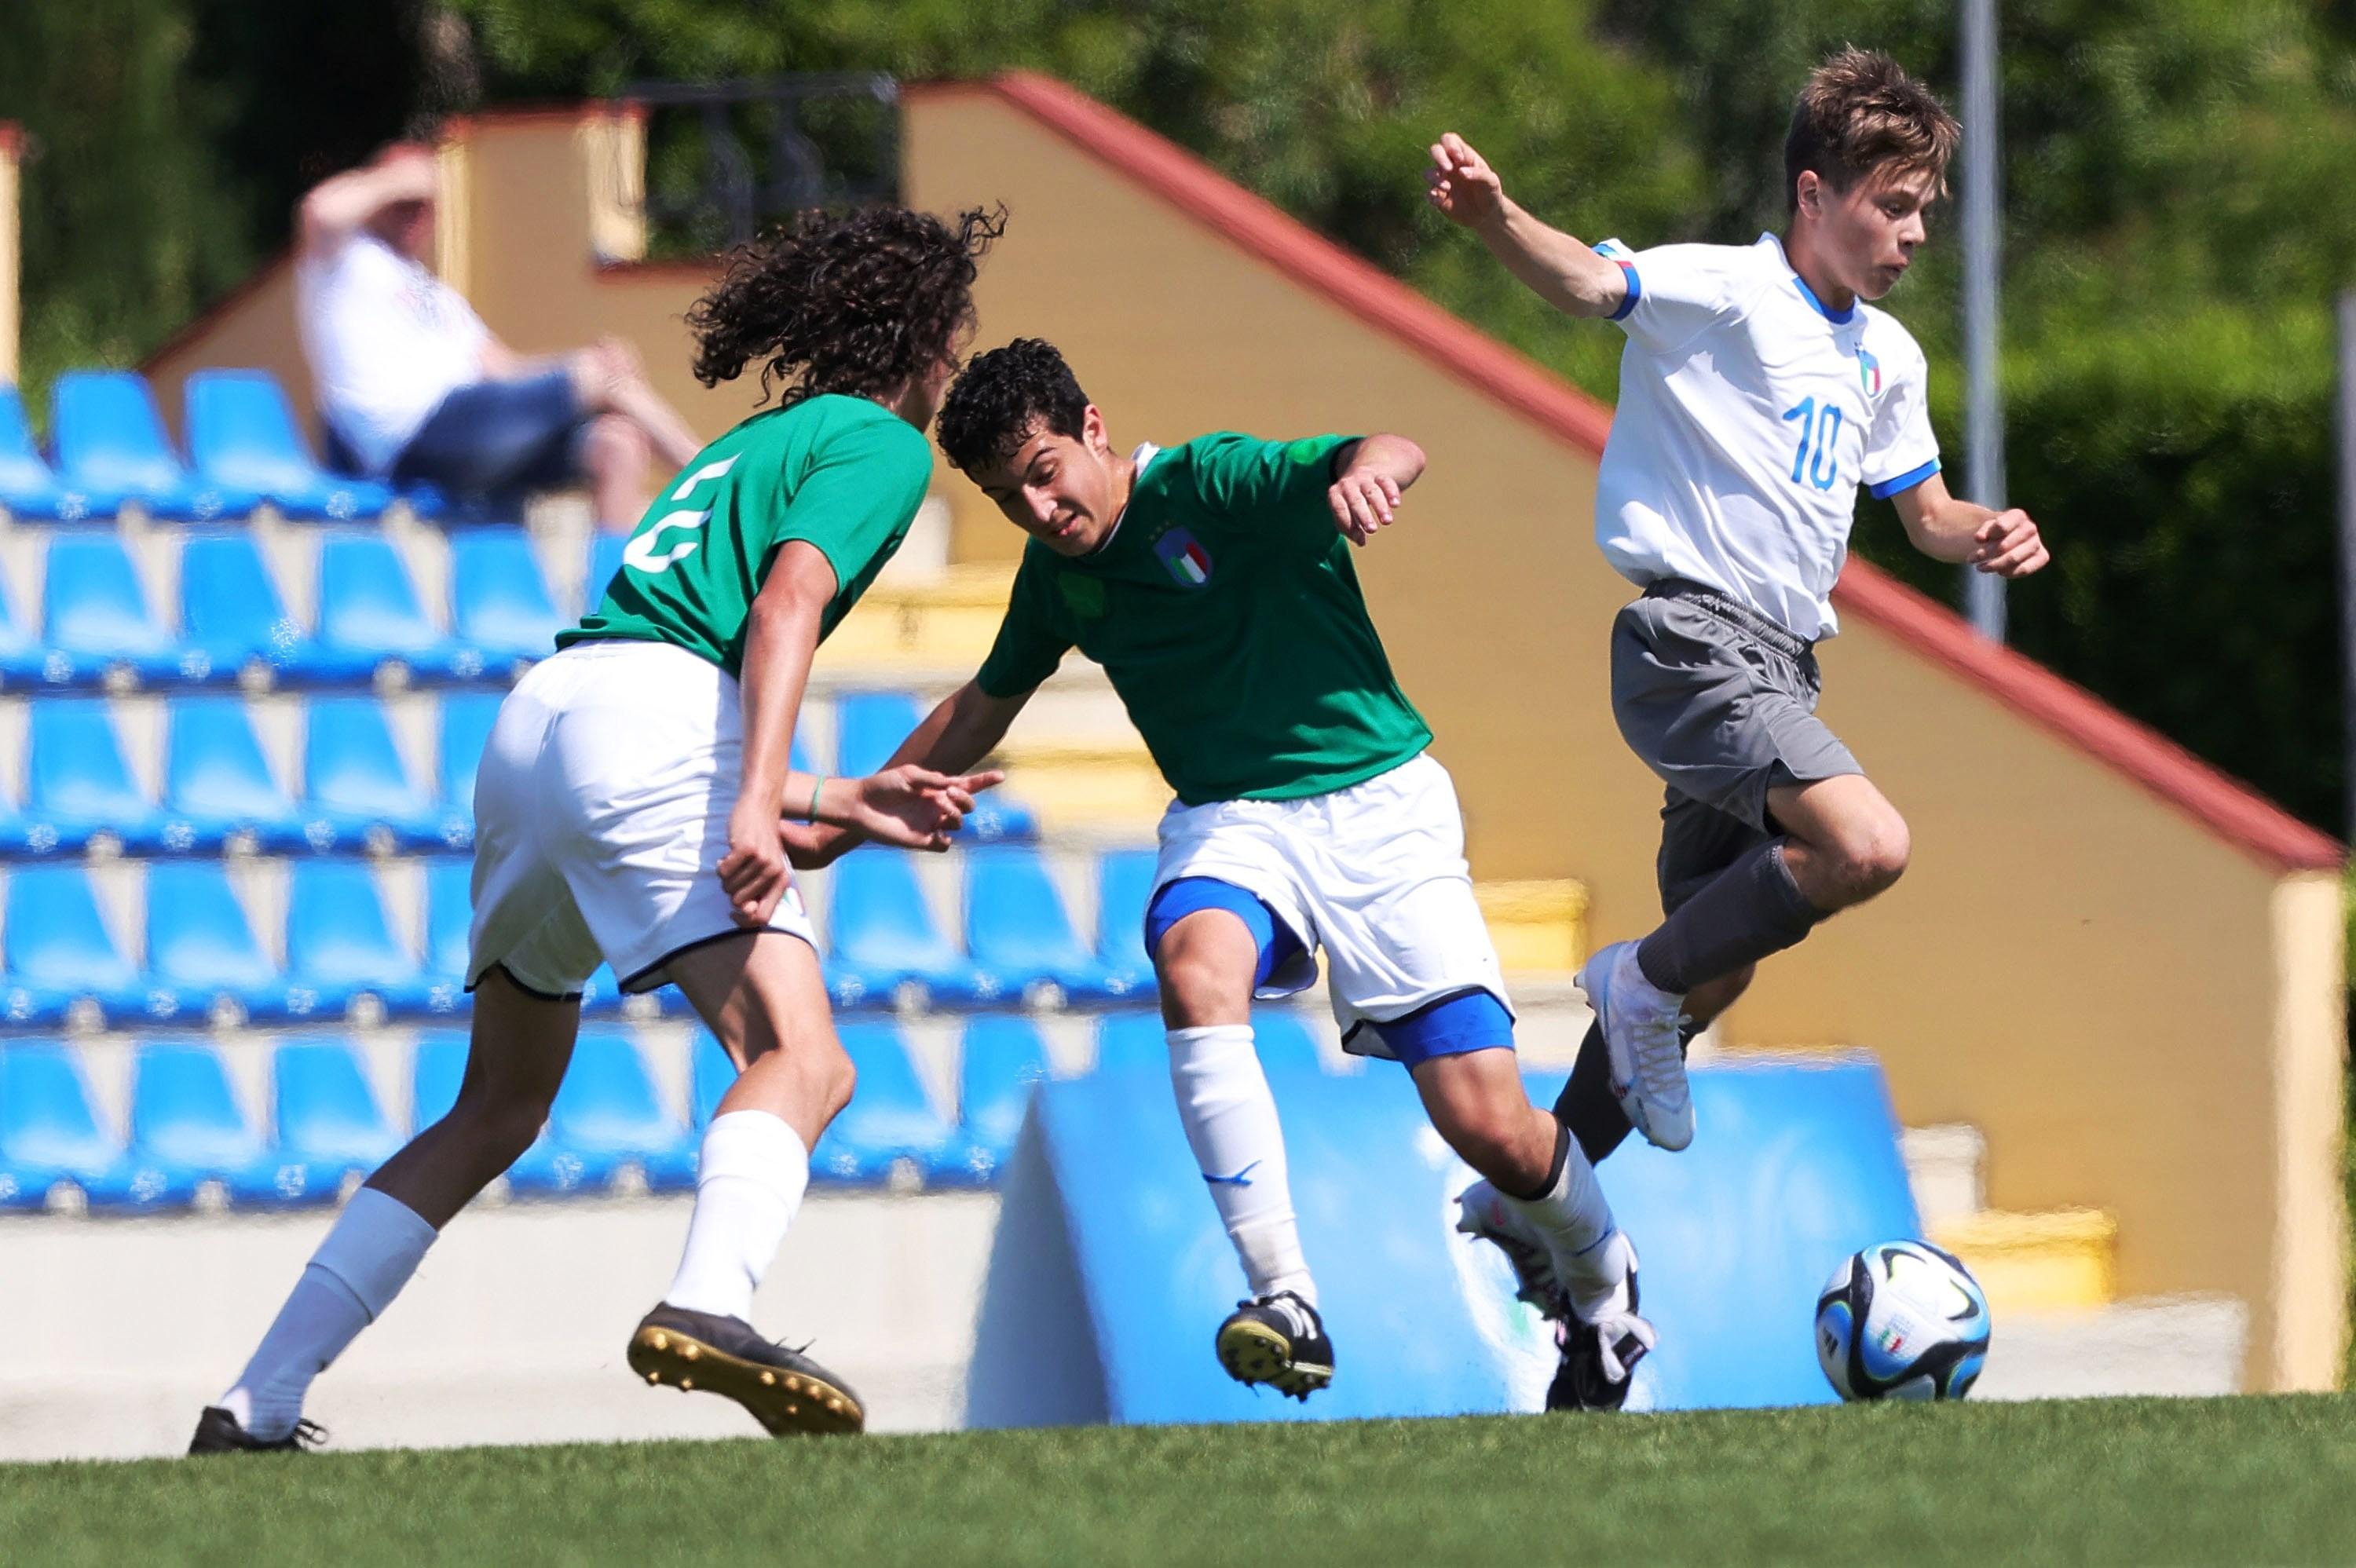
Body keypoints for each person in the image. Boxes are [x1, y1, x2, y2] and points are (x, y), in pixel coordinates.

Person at [189, 203, 1007, 1454]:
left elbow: (651, 697)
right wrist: (757, 796)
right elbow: (783, 605)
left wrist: (828, 799)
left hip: (543, 723)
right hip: (655, 723)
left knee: (498, 1108)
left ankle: (258, 1401)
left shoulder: (753, 442)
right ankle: (708, 1305)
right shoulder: (879, 442)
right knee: (806, 1056)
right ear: (926, 335)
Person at [785, 338, 1657, 1410]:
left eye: (1047, 472)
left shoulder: (1214, 482)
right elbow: (981, 704)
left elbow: (1390, 446)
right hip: (1230, 817)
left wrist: (1377, 472)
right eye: (1013, 498)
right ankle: (1285, 1297)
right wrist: (853, 808)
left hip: (1377, 805)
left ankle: (1603, 1285)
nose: (1042, 510)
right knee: (1195, 966)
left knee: (1489, 1125)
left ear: (1093, 428)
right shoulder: (1058, 580)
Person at [1428, 49, 2048, 1384]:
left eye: (1927, 209)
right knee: (1862, 845)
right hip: (1689, 643)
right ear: (1816, 193)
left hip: (1782, 667)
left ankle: (1543, 1200)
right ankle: (1634, 978)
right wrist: (1493, 220)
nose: (1915, 234)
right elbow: (1595, 281)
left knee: (1722, 969)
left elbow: (1919, 510)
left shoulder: (1887, 355)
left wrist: (1979, 531)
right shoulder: (1725, 289)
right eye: (1894, 205)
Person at [295, 141, 706, 527]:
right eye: (402, 204)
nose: (414, 215)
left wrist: (586, 365)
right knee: (597, 377)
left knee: (617, 443)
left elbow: (505, 368)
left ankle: (614, 595)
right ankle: (712, 480)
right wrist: (401, 179)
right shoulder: (344, 258)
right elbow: (321, 210)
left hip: (469, 432)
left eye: (424, 206)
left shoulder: (437, 295)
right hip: (409, 440)